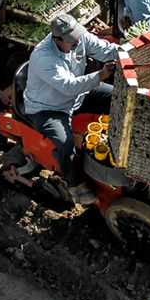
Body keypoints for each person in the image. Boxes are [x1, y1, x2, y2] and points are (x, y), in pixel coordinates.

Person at [23, 13, 119, 204]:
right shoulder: (43, 57)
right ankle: (76, 186)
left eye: (77, 35)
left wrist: (130, 53)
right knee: (66, 145)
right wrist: (101, 75)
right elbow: (68, 86)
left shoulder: (78, 38)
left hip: (77, 96)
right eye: (70, 39)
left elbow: (107, 50)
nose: (77, 41)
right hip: (49, 107)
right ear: (56, 39)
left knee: (115, 97)